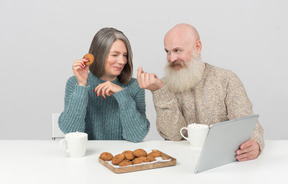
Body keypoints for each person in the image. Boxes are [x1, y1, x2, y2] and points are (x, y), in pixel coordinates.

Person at [137, 23, 264, 161]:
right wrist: (159, 91)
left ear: (197, 47)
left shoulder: (226, 79)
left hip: (224, 163)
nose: (171, 58)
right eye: (167, 51)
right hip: (181, 165)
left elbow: (246, 123)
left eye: (177, 50)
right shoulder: (164, 85)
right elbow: (173, 136)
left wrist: (255, 144)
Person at [59, 27, 150, 142]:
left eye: (125, 55)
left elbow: (136, 136)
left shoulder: (134, 86)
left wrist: (122, 94)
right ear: (99, 55)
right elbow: (70, 131)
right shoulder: (74, 83)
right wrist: (81, 86)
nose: (122, 61)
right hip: (87, 156)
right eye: (115, 55)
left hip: (121, 157)